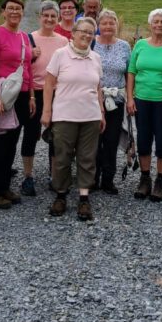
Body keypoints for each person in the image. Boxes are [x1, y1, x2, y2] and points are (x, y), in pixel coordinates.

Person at [42, 18, 105, 221]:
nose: (87, 35)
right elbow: (49, 84)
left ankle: (84, 198)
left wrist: (101, 112)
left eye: (91, 32)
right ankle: (61, 195)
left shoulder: (96, 58)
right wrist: (47, 111)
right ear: (74, 33)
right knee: (62, 157)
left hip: (90, 116)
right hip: (64, 115)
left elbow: (98, 88)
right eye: (83, 31)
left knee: (87, 158)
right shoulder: (61, 54)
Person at [0, 0, 36, 209]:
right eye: (11, 8)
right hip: (2, 96)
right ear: (3, 12)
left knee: (12, 142)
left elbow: (28, 68)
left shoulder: (23, 37)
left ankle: (3, 185)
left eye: (18, 9)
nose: (15, 12)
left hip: (20, 96)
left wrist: (31, 96)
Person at [127, 9, 162, 201]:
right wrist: (130, 97)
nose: (159, 25)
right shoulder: (140, 45)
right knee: (143, 140)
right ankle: (144, 179)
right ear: (150, 24)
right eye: (156, 21)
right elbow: (131, 71)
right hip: (141, 100)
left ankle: (160, 180)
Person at [20, 0, 68, 195]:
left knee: (56, 136)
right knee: (31, 134)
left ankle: (54, 175)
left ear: (58, 18)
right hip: (34, 93)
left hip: (57, 93)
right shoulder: (29, 38)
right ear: (39, 17)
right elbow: (22, 66)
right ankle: (28, 176)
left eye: (53, 16)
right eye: (45, 15)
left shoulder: (63, 42)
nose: (49, 19)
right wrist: (30, 55)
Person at [94, 10, 131, 194]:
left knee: (111, 140)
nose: (108, 26)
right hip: (93, 100)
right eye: (104, 23)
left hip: (116, 100)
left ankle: (108, 179)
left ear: (116, 25)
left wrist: (130, 97)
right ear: (98, 25)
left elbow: (129, 73)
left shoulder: (124, 46)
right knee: (94, 140)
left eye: (112, 23)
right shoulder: (91, 43)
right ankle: (92, 177)